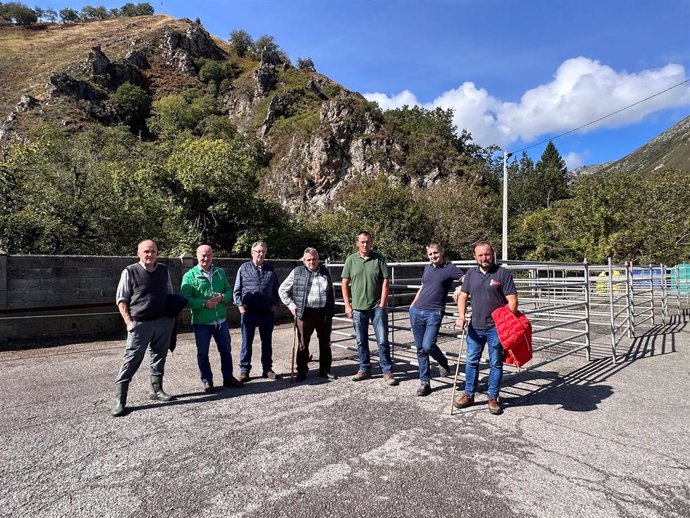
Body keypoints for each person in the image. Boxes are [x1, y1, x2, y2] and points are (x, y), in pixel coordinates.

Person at [112, 239, 175, 417]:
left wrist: (170, 318)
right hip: (140, 323)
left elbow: (169, 294)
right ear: (139, 253)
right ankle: (120, 400)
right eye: (146, 251)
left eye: (153, 251)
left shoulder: (163, 270)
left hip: (162, 321)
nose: (150, 255)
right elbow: (121, 299)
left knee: (159, 356)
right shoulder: (130, 271)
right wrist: (129, 323)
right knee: (131, 359)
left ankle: (157, 390)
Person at [453, 241, 518, 415]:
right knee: (471, 361)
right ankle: (469, 394)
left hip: (495, 328)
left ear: (493, 254)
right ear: (475, 257)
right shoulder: (471, 274)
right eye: (480, 255)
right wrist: (461, 316)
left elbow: (512, 300)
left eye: (487, 254)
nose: (484, 258)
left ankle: (492, 397)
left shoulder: (502, 273)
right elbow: (463, 296)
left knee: (496, 363)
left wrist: (504, 322)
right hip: (475, 326)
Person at [181, 245, 242, 393]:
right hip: (201, 322)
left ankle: (228, 378)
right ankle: (207, 380)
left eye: (208, 255)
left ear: (212, 256)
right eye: (203, 255)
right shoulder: (189, 276)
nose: (206, 258)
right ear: (197, 256)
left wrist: (222, 297)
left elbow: (229, 291)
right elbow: (185, 299)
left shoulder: (219, 272)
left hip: (220, 320)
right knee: (203, 353)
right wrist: (204, 303)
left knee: (226, 351)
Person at [341, 231, 398, 386]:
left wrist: (382, 303)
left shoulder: (379, 259)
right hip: (358, 308)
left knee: (382, 340)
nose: (365, 245)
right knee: (361, 341)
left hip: (376, 307)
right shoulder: (351, 260)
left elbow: (385, 281)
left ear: (371, 242)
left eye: (367, 242)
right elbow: (344, 283)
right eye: (362, 242)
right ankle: (364, 368)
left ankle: (387, 371)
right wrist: (347, 304)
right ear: (357, 243)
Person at [409, 243, 463, 396]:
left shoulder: (450, 268)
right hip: (417, 311)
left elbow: (466, 278)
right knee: (420, 349)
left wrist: (459, 288)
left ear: (442, 252)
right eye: (430, 254)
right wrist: (412, 306)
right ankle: (424, 382)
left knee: (428, 345)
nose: (433, 256)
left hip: (434, 312)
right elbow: (422, 287)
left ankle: (443, 361)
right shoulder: (427, 268)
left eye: (436, 253)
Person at [279, 247, 337, 382]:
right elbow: (282, 290)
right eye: (309, 259)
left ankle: (325, 370)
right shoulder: (297, 272)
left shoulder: (324, 271)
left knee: (325, 342)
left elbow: (331, 291)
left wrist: (330, 308)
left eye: (315, 259)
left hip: (323, 312)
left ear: (318, 260)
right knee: (303, 344)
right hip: (305, 312)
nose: (312, 262)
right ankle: (302, 371)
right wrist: (291, 305)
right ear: (304, 261)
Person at [233, 240, 280, 381]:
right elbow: (237, 290)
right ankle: (244, 370)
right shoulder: (244, 268)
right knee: (246, 342)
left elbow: (277, 289)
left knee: (267, 342)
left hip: (266, 312)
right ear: (252, 253)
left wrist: (275, 305)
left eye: (263, 252)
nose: (261, 254)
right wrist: (241, 308)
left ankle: (267, 369)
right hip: (249, 312)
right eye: (258, 251)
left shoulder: (270, 269)